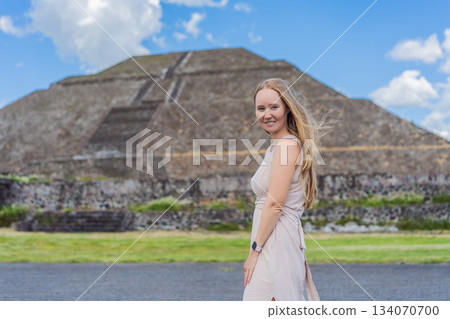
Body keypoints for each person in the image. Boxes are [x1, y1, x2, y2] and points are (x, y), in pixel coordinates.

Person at [242, 78, 323, 301]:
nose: (267, 114)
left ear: (287, 108)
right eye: (261, 108)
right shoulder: (276, 147)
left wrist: (255, 251)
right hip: (272, 239)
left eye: (274, 107)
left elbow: (275, 204)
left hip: (276, 242)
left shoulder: (287, 146)